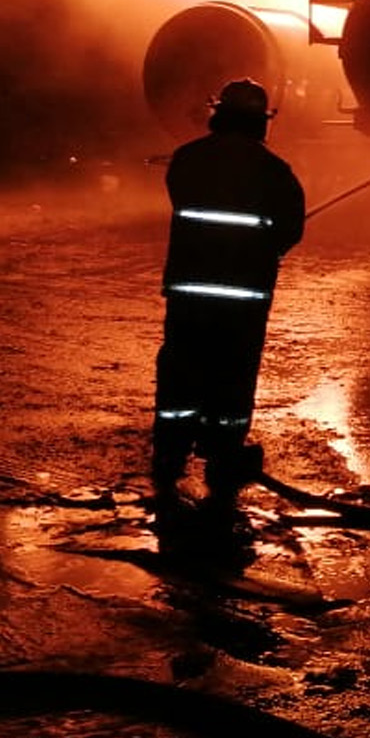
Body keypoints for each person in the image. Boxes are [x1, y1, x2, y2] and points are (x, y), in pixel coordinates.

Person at [155, 78, 306, 496]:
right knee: (234, 373)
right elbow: (291, 229)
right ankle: (222, 453)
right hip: (243, 298)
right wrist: (264, 247)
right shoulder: (275, 172)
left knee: (180, 370)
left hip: (189, 293)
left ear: (218, 115)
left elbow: (181, 199)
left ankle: (170, 451)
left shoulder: (186, 160)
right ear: (261, 123)